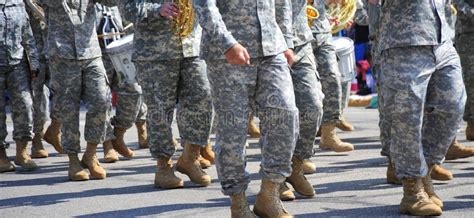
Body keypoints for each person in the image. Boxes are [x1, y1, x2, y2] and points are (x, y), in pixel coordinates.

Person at [194, 0, 298, 217]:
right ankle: (238, 203)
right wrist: (226, 43)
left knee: (286, 116)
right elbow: (204, 4)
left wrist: (286, 41)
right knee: (233, 128)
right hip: (228, 52)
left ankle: (269, 194)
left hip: (272, 47)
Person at [378, 0, 465, 215]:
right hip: (405, 42)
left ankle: (425, 169)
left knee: (453, 105)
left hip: (443, 38)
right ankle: (413, 190)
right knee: (407, 119)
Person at [121, 0, 214, 189]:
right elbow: (127, 10)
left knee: (203, 96)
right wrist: (158, 9)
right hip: (154, 53)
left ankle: (190, 157)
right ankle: (163, 167)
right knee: (160, 111)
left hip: (191, 47)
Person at [43, 0, 116, 181]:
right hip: (62, 54)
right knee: (69, 109)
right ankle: (73, 159)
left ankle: (91, 154)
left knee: (102, 100)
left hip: (90, 51)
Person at [279, 0, 324, 202]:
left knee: (313, 106)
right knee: (277, 113)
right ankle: (275, 175)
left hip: (300, 40)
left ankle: (296, 164)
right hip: (269, 42)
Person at [94, 4, 148, 163]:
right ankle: (107, 144)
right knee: (102, 99)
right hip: (95, 50)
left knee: (134, 91)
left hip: (122, 47)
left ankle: (118, 134)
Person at [311, 0, 354, 153]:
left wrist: (330, 16)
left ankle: (328, 135)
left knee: (333, 78)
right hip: (297, 34)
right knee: (304, 92)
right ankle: (300, 151)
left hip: (322, 32)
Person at [0, 0, 38, 172]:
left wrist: (34, 62)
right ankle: (1, 155)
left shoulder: (18, 3)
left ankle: (22, 151)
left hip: (17, 62)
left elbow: (27, 33)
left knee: (25, 104)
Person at [24, 0, 51, 158]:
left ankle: (55, 131)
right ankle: (37, 139)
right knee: (38, 99)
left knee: (66, 97)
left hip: (59, 50)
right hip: (33, 53)